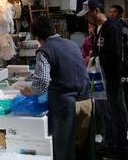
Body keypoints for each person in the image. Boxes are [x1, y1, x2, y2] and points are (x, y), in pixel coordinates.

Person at [20, 16, 90, 160]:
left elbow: (42, 81)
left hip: (65, 104)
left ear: (37, 36)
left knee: (63, 146)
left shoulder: (44, 50)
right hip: (86, 100)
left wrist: (30, 90)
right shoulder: (71, 43)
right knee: (81, 144)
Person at [77, 0, 128, 159]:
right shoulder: (100, 28)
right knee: (105, 112)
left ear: (96, 10)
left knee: (114, 112)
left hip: (110, 78)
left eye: (88, 14)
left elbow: (116, 55)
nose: (87, 18)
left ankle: (119, 148)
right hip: (100, 77)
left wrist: (95, 59)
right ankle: (109, 143)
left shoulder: (112, 27)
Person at [109, 4, 128, 117]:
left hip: (125, 62)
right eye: (110, 12)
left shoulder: (124, 27)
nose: (111, 14)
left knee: (127, 87)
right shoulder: (112, 26)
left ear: (120, 13)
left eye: (114, 12)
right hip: (117, 61)